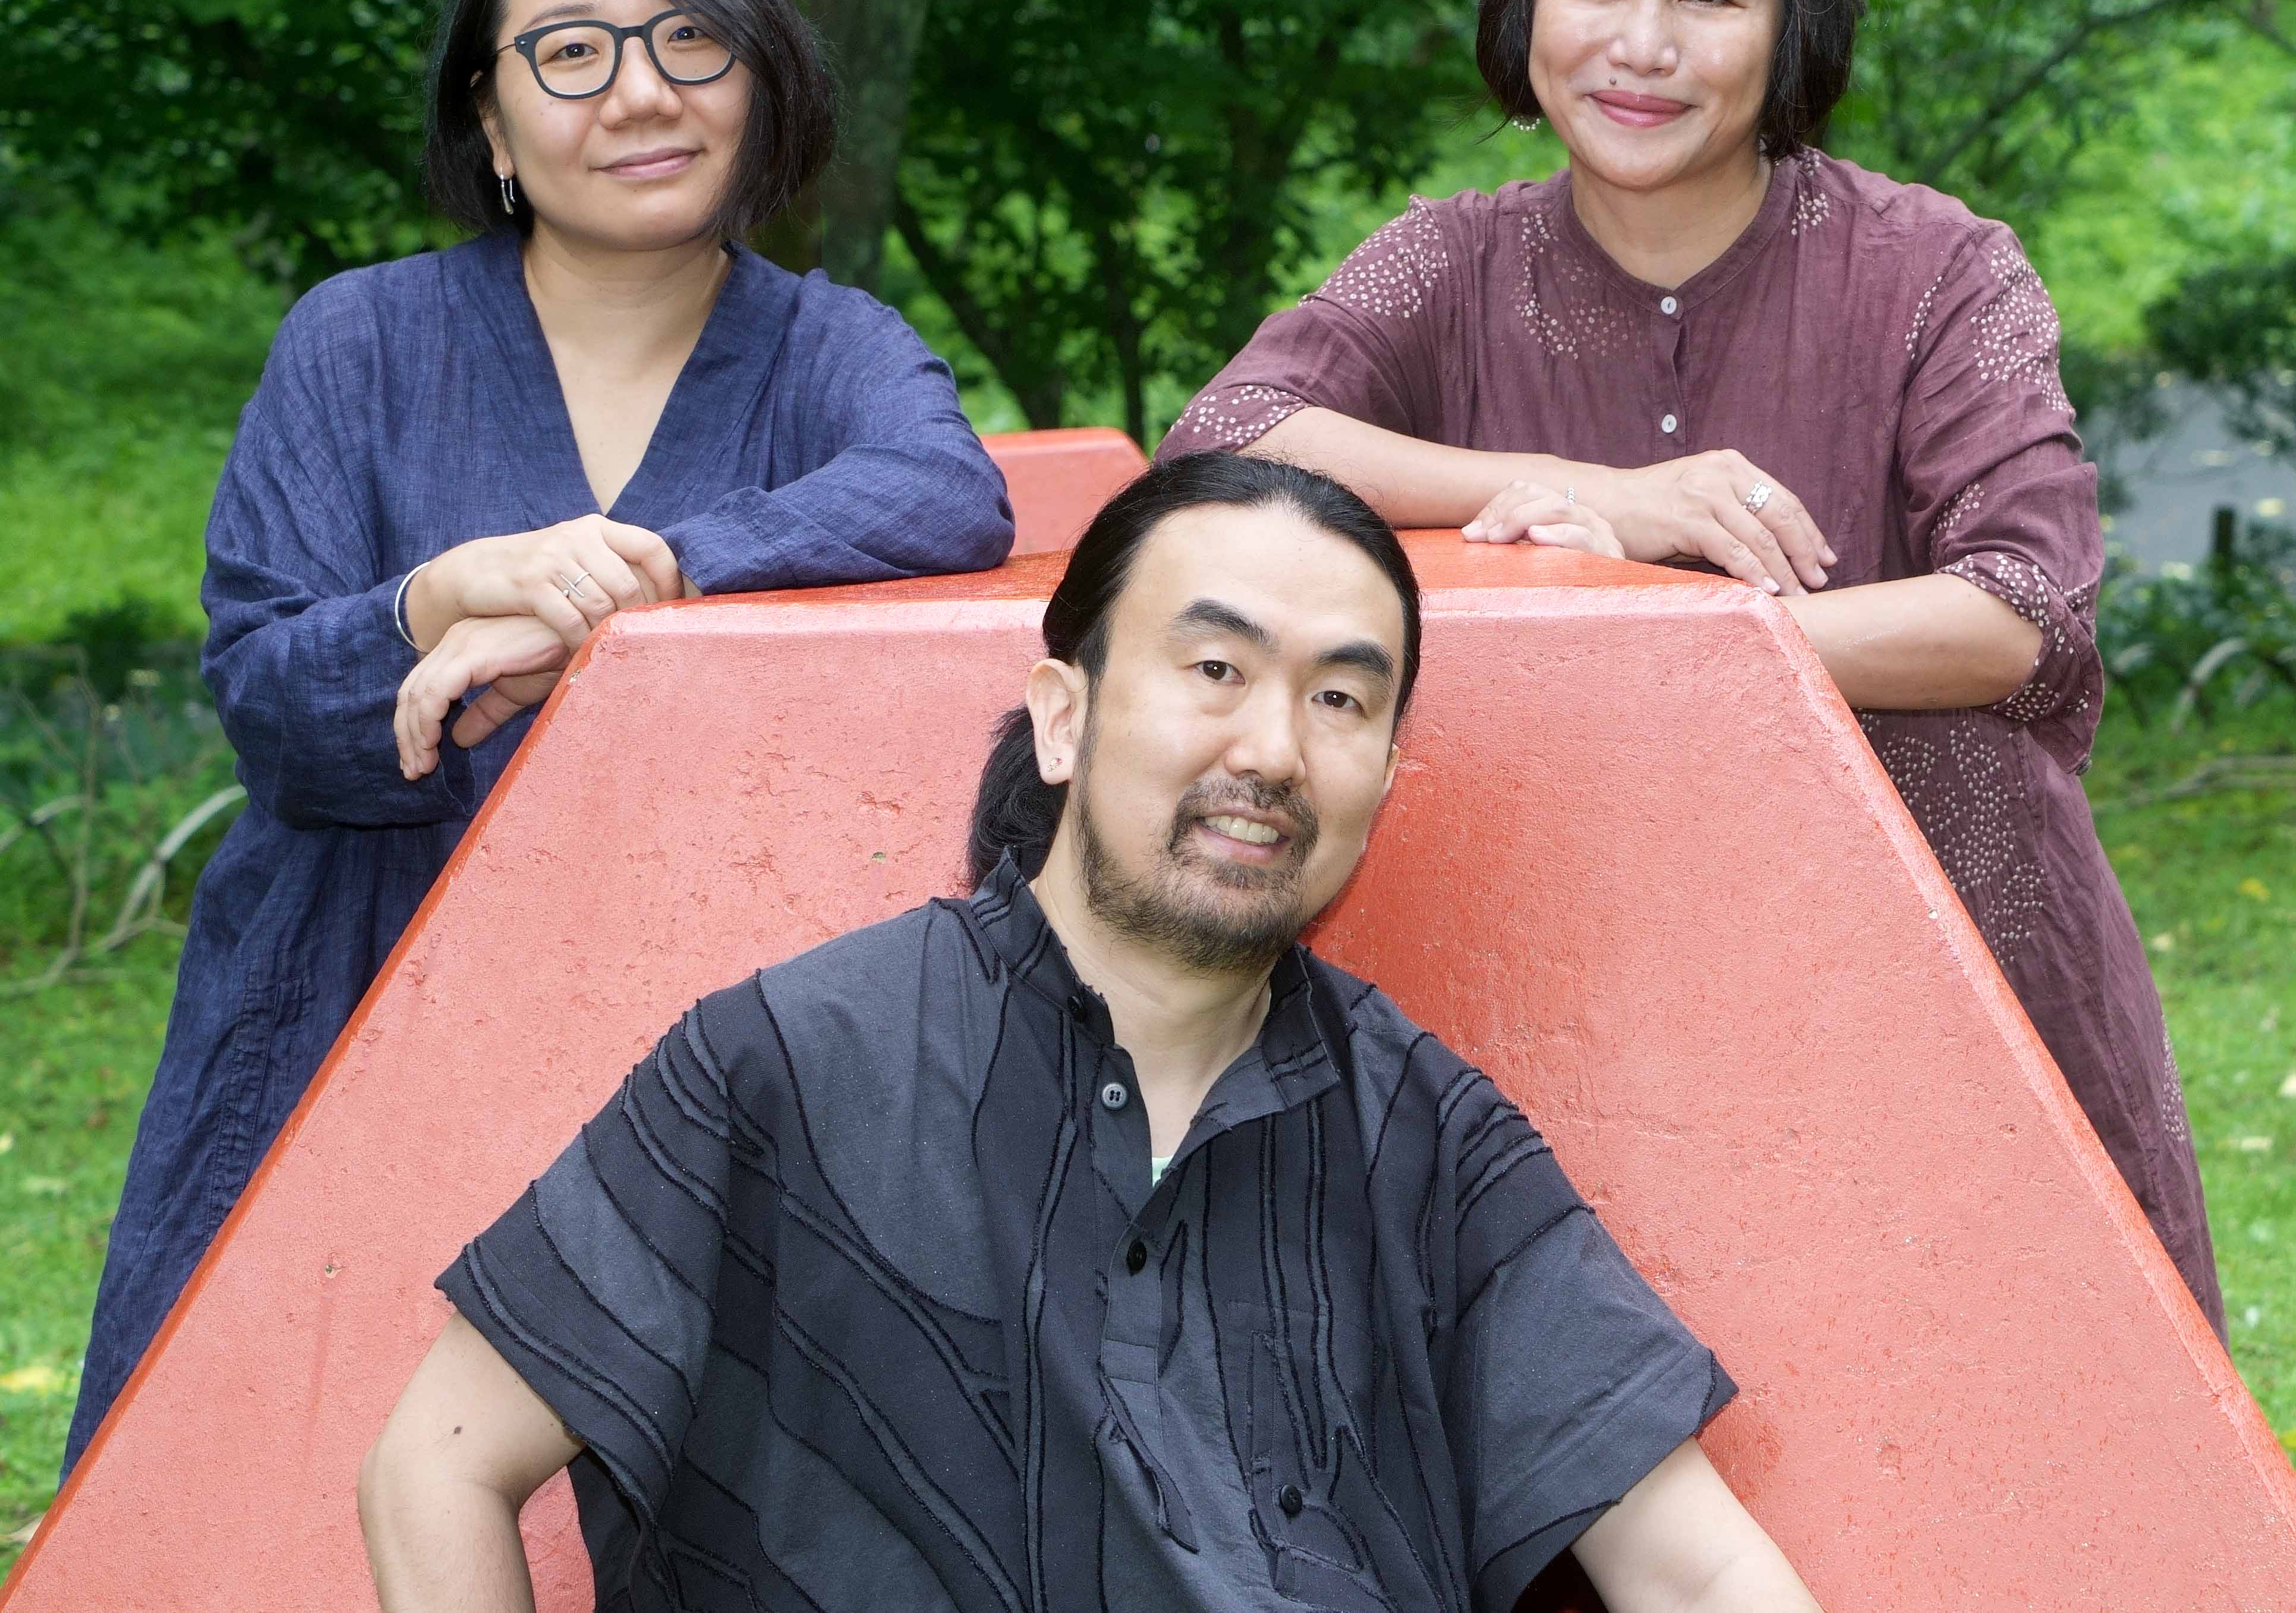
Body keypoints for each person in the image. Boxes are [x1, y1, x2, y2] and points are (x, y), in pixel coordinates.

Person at [359, 455, 1823, 1613]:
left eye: (1339, 698)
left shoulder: (1427, 1140)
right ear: (1063, 717)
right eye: (1215, 669)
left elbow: (1699, 1570)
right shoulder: (797, 1060)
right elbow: (434, 1468)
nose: (1271, 748)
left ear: (1385, 772)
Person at [1157, 0, 2223, 1336]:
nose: (1642, 44)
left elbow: (2019, 608)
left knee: (2014, 1382)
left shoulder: (1942, 268)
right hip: (1583, 958)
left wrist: (1678, 641)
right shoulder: (1449, 259)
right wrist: (1598, 494)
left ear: (1793, 28)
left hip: (1943, 953)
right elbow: (1224, 438)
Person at [65, 0, 1015, 1475]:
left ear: (761, 82)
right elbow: (273, 706)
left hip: (700, 1046)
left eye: (691, 37)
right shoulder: (357, 346)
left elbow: (946, 489)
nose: (641, 90)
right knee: (260, 1491)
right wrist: (432, 596)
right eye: (572, 51)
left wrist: (636, 581)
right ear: (492, 123)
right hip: (346, 1018)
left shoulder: (831, 350)